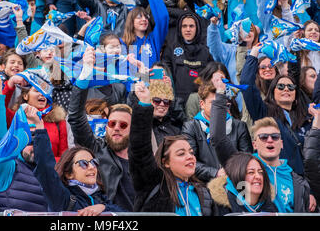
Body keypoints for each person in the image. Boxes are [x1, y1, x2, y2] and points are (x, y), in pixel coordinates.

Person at [210, 74, 314, 213]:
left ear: (282, 143)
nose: (270, 140)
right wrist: (221, 94)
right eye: (263, 137)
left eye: (275, 137)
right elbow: (218, 137)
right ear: (254, 144)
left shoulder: (298, 181)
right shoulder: (244, 167)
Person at [129, 81, 216, 215]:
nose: (190, 157)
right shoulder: (154, 184)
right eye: (181, 153)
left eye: (191, 153)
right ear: (166, 162)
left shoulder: (203, 192)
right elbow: (140, 150)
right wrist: (145, 103)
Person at [67, 47, 135, 211]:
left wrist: (139, 73)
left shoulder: (142, 157)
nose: (116, 128)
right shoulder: (95, 150)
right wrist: (85, 73)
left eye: (123, 125)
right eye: (112, 124)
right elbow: (76, 117)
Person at [31, 107, 125, 214]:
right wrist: (39, 128)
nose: (91, 167)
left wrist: (103, 207)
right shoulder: (62, 197)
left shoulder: (100, 197)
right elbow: (45, 167)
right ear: (69, 174)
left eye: (94, 162)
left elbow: (124, 213)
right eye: (83, 163)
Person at [0, 63, 49, 211]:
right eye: (29, 140)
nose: (33, 145)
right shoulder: (6, 167)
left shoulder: (50, 173)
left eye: (36, 141)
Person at [240, 43, 312, 176]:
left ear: (296, 94)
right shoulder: (264, 113)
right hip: (277, 180)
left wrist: (294, 53)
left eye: (290, 87)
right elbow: (246, 84)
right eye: (281, 86)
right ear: (272, 93)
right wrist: (253, 54)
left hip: (306, 182)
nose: (286, 89)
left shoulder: (305, 117)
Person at [181, 81, 252, 183]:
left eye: (222, 103)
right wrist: (215, 173)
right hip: (204, 186)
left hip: (234, 183)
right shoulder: (191, 127)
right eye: (214, 103)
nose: (218, 107)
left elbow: (247, 160)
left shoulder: (239, 126)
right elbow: (189, 161)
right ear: (202, 104)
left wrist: (232, 172)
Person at [162, 12, 213, 106]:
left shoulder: (206, 52)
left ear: (197, 28)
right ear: (179, 29)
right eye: (184, 26)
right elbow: (166, 75)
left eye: (191, 26)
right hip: (176, 101)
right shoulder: (171, 49)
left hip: (197, 102)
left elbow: (209, 79)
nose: (188, 29)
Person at [207, 152, 278, 215]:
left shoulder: (271, 207)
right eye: (251, 172)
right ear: (237, 175)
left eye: (260, 172)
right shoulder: (215, 208)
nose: (258, 176)